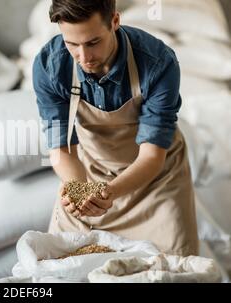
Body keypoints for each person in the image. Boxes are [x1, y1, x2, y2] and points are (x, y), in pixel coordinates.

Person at [33, 0, 199, 256]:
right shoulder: (50, 65)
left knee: (170, 267)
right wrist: (80, 192)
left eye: (93, 42)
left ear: (115, 21)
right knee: (62, 263)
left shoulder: (158, 63)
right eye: (72, 44)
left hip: (158, 182)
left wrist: (107, 193)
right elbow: (62, 150)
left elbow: (152, 157)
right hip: (92, 171)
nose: (83, 57)